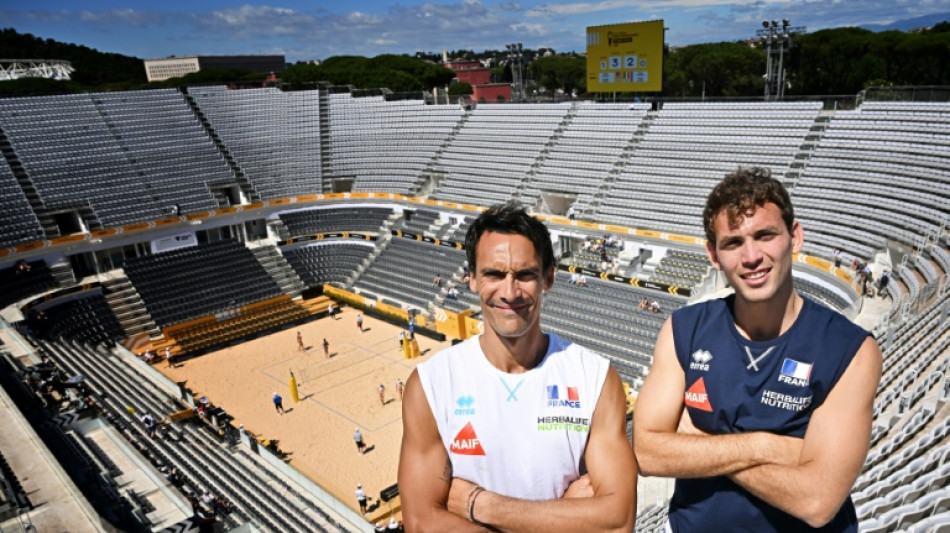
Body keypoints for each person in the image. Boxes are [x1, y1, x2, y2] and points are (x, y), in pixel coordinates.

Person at [634, 168, 882, 532]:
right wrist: (768, 447)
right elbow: (646, 451)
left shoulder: (850, 350)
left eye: (765, 235)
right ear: (713, 255)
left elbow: (816, 500)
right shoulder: (684, 329)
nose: (751, 256)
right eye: (733, 243)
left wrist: (701, 441)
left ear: (794, 237)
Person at [397, 201, 636, 532]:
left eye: (525, 275)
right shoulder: (430, 385)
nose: (509, 292)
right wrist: (565, 516)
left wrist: (481, 504)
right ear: (472, 280)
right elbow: (422, 523)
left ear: (548, 278)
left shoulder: (595, 378)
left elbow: (617, 523)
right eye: (494, 274)